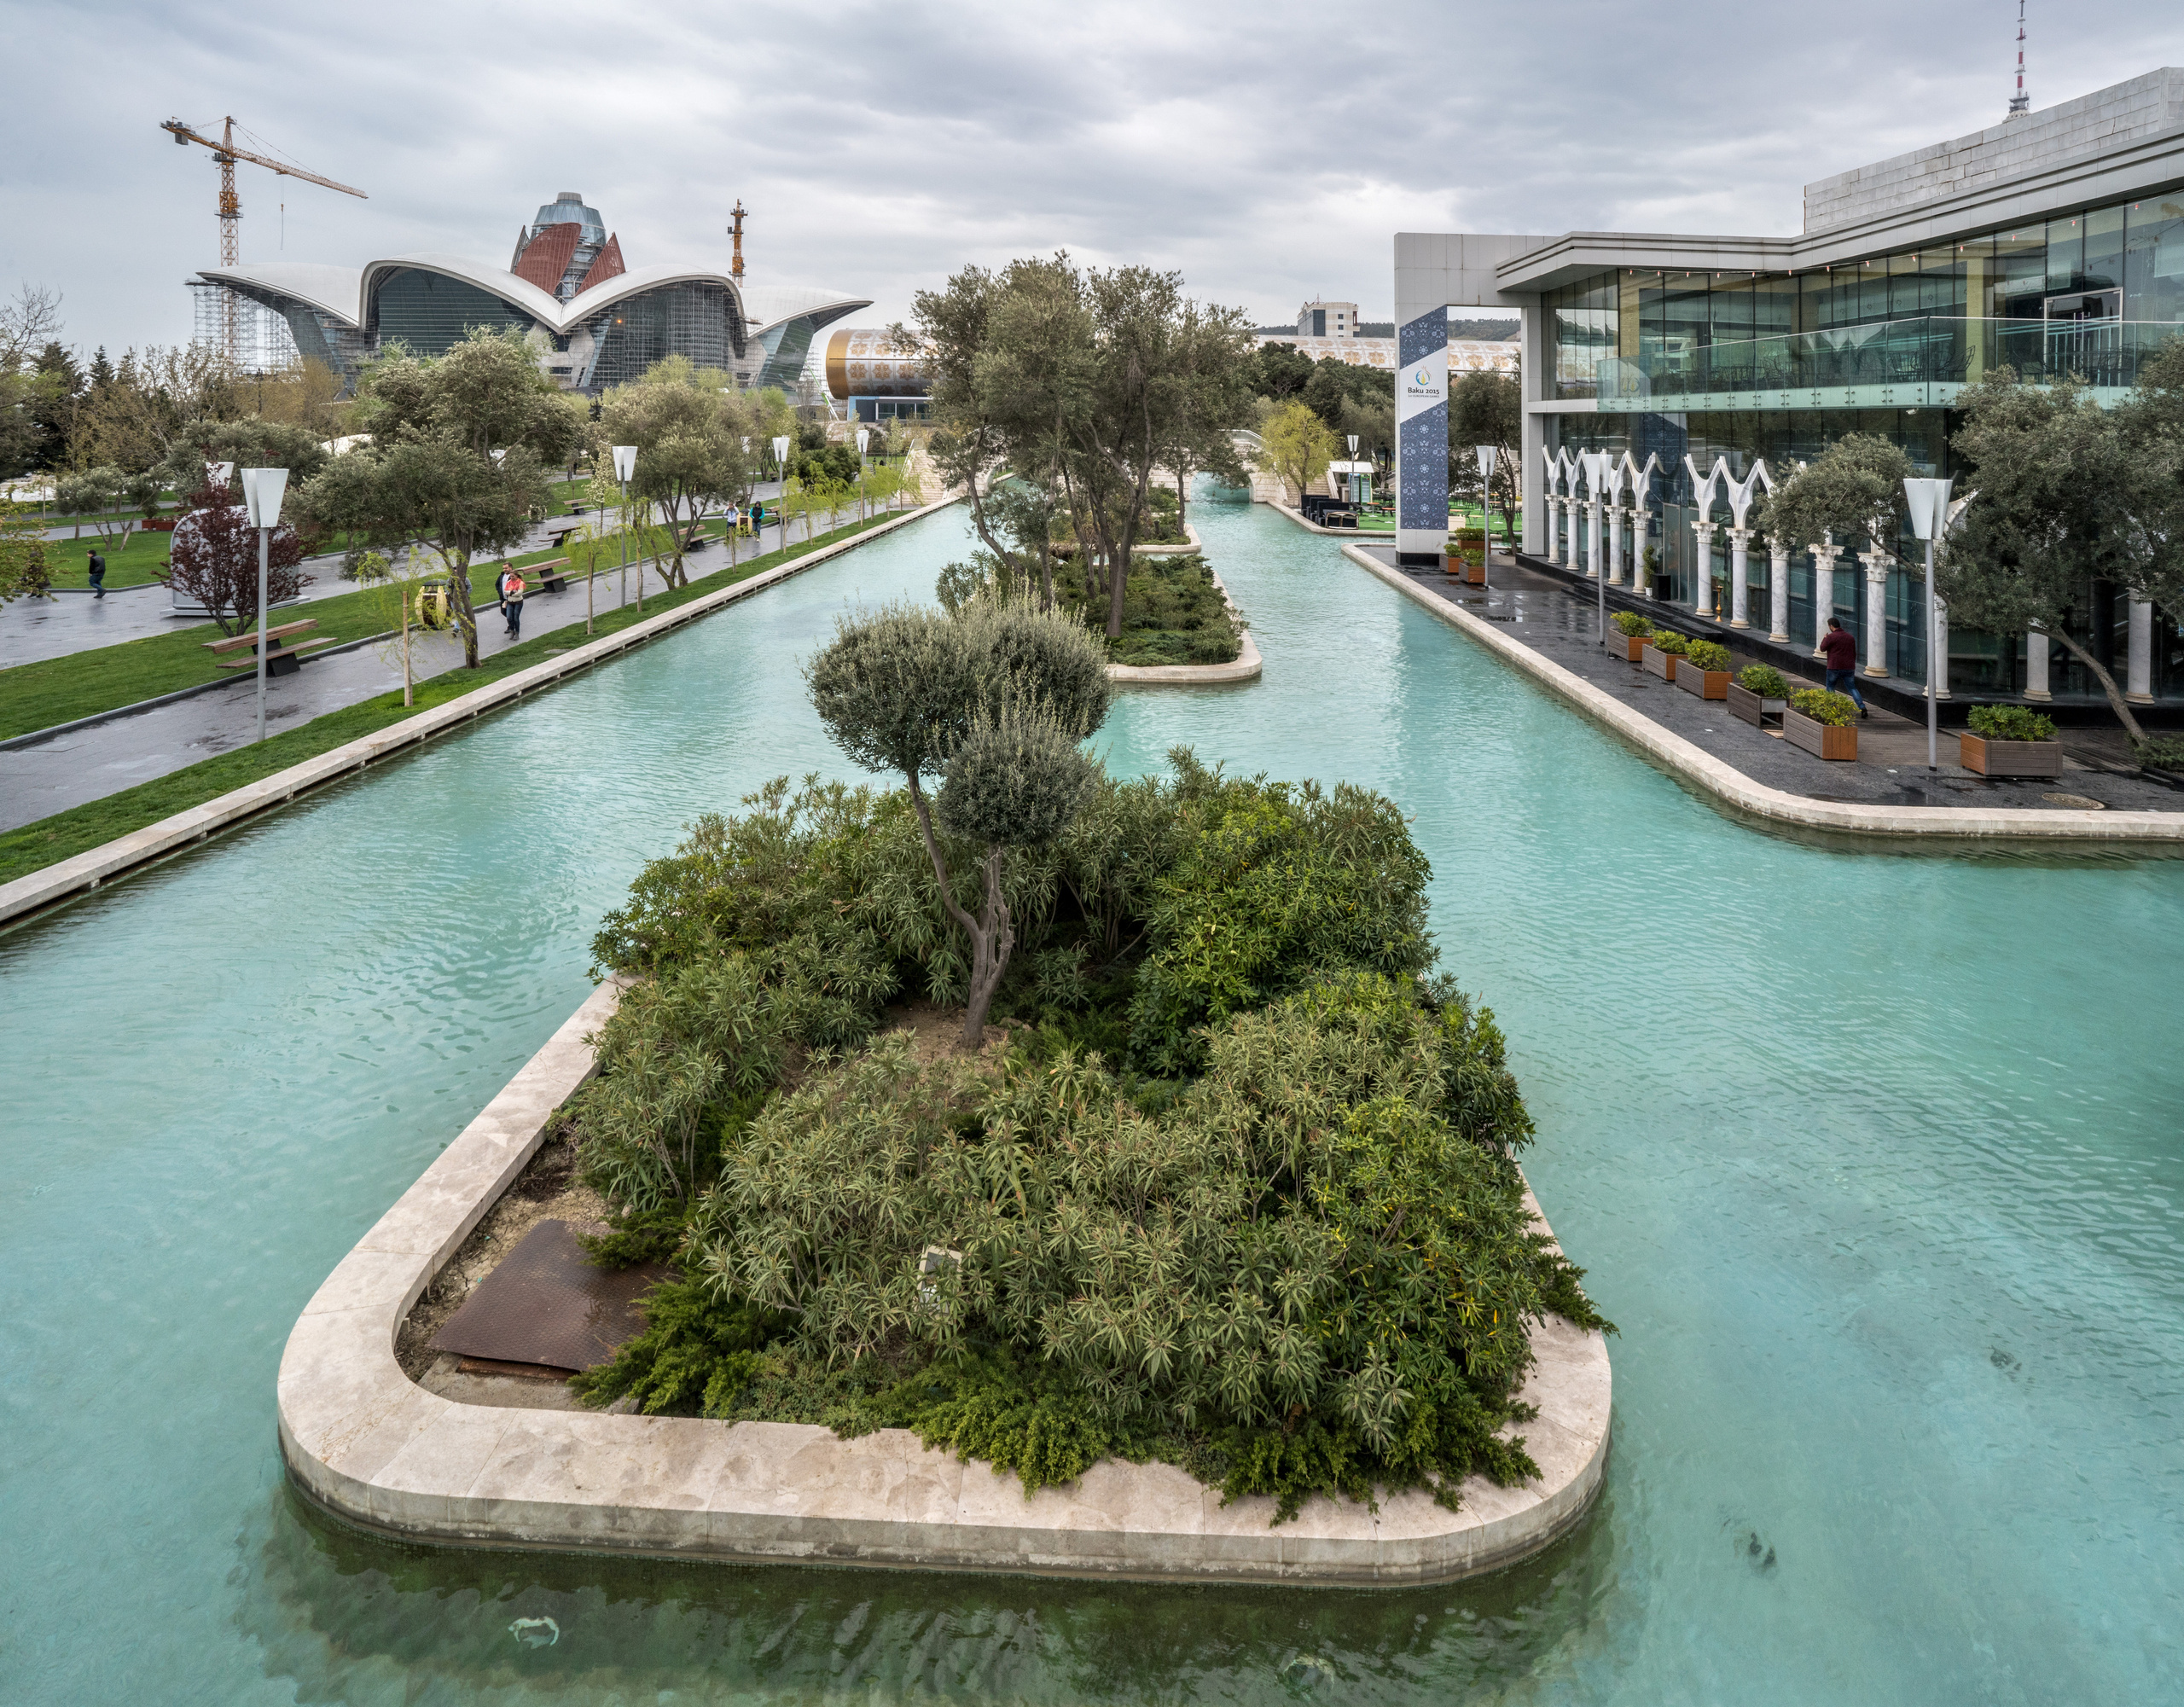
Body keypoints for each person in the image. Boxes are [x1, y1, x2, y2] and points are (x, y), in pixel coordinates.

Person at [1819, 617, 1867, 717]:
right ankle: (1862, 707)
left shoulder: (1831, 637)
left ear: (1831, 626)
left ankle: (1831, 708)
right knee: (1852, 688)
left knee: (1830, 687)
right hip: (1848, 667)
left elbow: (1822, 648)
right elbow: (1854, 653)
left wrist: (1825, 638)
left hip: (1834, 667)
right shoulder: (1850, 637)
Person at [498, 566, 526, 641]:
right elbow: (505, 592)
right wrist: (512, 592)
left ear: (516, 576)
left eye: (513, 576)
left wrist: (510, 593)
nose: (511, 578)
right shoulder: (509, 582)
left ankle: (517, 633)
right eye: (510, 576)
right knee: (509, 617)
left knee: (516, 618)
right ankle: (512, 631)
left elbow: (519, 594)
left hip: (518, 602)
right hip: (510, 602)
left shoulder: (520, 583)